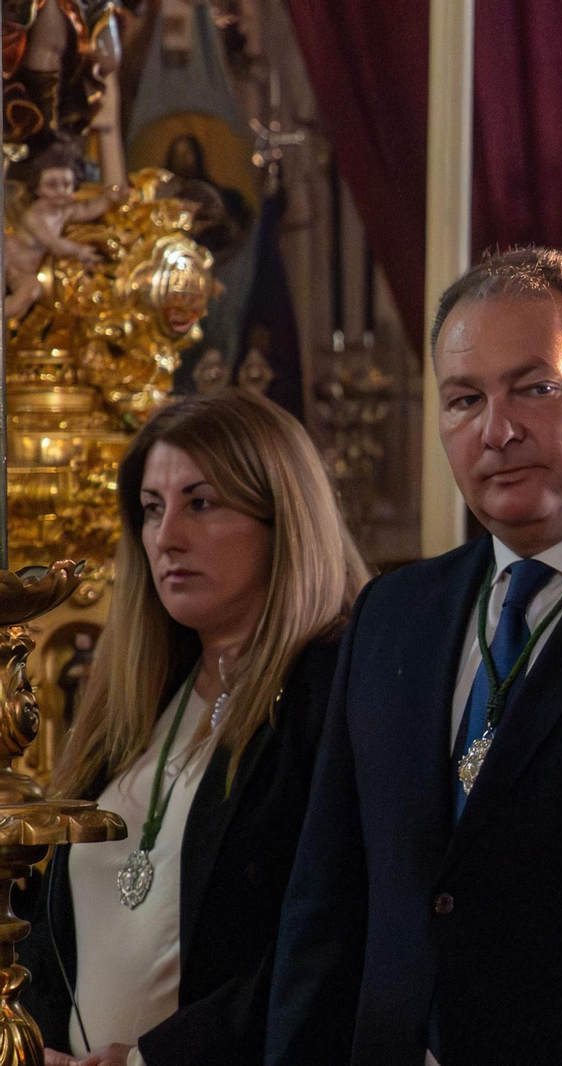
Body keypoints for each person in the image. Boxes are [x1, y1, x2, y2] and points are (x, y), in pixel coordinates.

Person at [266, 246, 562, 1066]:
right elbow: (325, 899)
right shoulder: (395, 611)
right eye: (465, 400)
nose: (497, 431)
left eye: (537, 388)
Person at [18, 389, 369, 1066]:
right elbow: (49, 921)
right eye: (152, 510)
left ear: (282, 516)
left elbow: (328, 945)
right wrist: (39, 1042)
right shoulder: (138, 696)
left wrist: (151, 1059)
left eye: (200, 503)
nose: (167, 536)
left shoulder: (333, 692)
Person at [4, 142, 124, 320]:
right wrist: (79, 251)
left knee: (31, 291)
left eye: (66, 184)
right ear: (38, 188)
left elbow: (89, 209)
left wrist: (111, 197)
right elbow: (54, 244)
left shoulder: (63, 211)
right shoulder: (34, 215)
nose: (60, 191)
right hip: (7, 258)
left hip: (22, 271)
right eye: (52, 185)